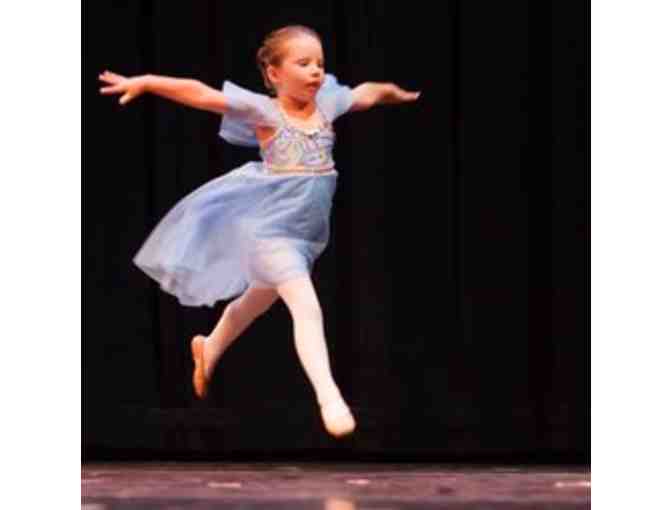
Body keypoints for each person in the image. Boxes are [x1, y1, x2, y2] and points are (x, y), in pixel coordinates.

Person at [99, 24, 421, 438]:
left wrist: (394, 93)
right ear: (274, 73)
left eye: (320, 63)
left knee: (257, 300)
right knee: (305, 305)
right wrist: (147, 82)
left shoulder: (326, 106)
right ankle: (330, 398)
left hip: (307, 237)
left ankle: (210, 346)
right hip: (269, 232)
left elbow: (366, 93)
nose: (315, 71)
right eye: (303, 63)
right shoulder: (266, 113)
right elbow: (202, 94)